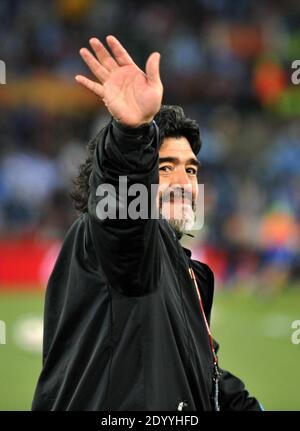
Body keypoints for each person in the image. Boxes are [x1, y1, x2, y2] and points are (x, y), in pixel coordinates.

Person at [32, 35, 263, 411]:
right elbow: (124, 218)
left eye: (190, 169)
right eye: (165, 166)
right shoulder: (112, 240)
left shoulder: (186, 272)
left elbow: (206, 381)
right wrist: (130, 136)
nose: (183, 182)